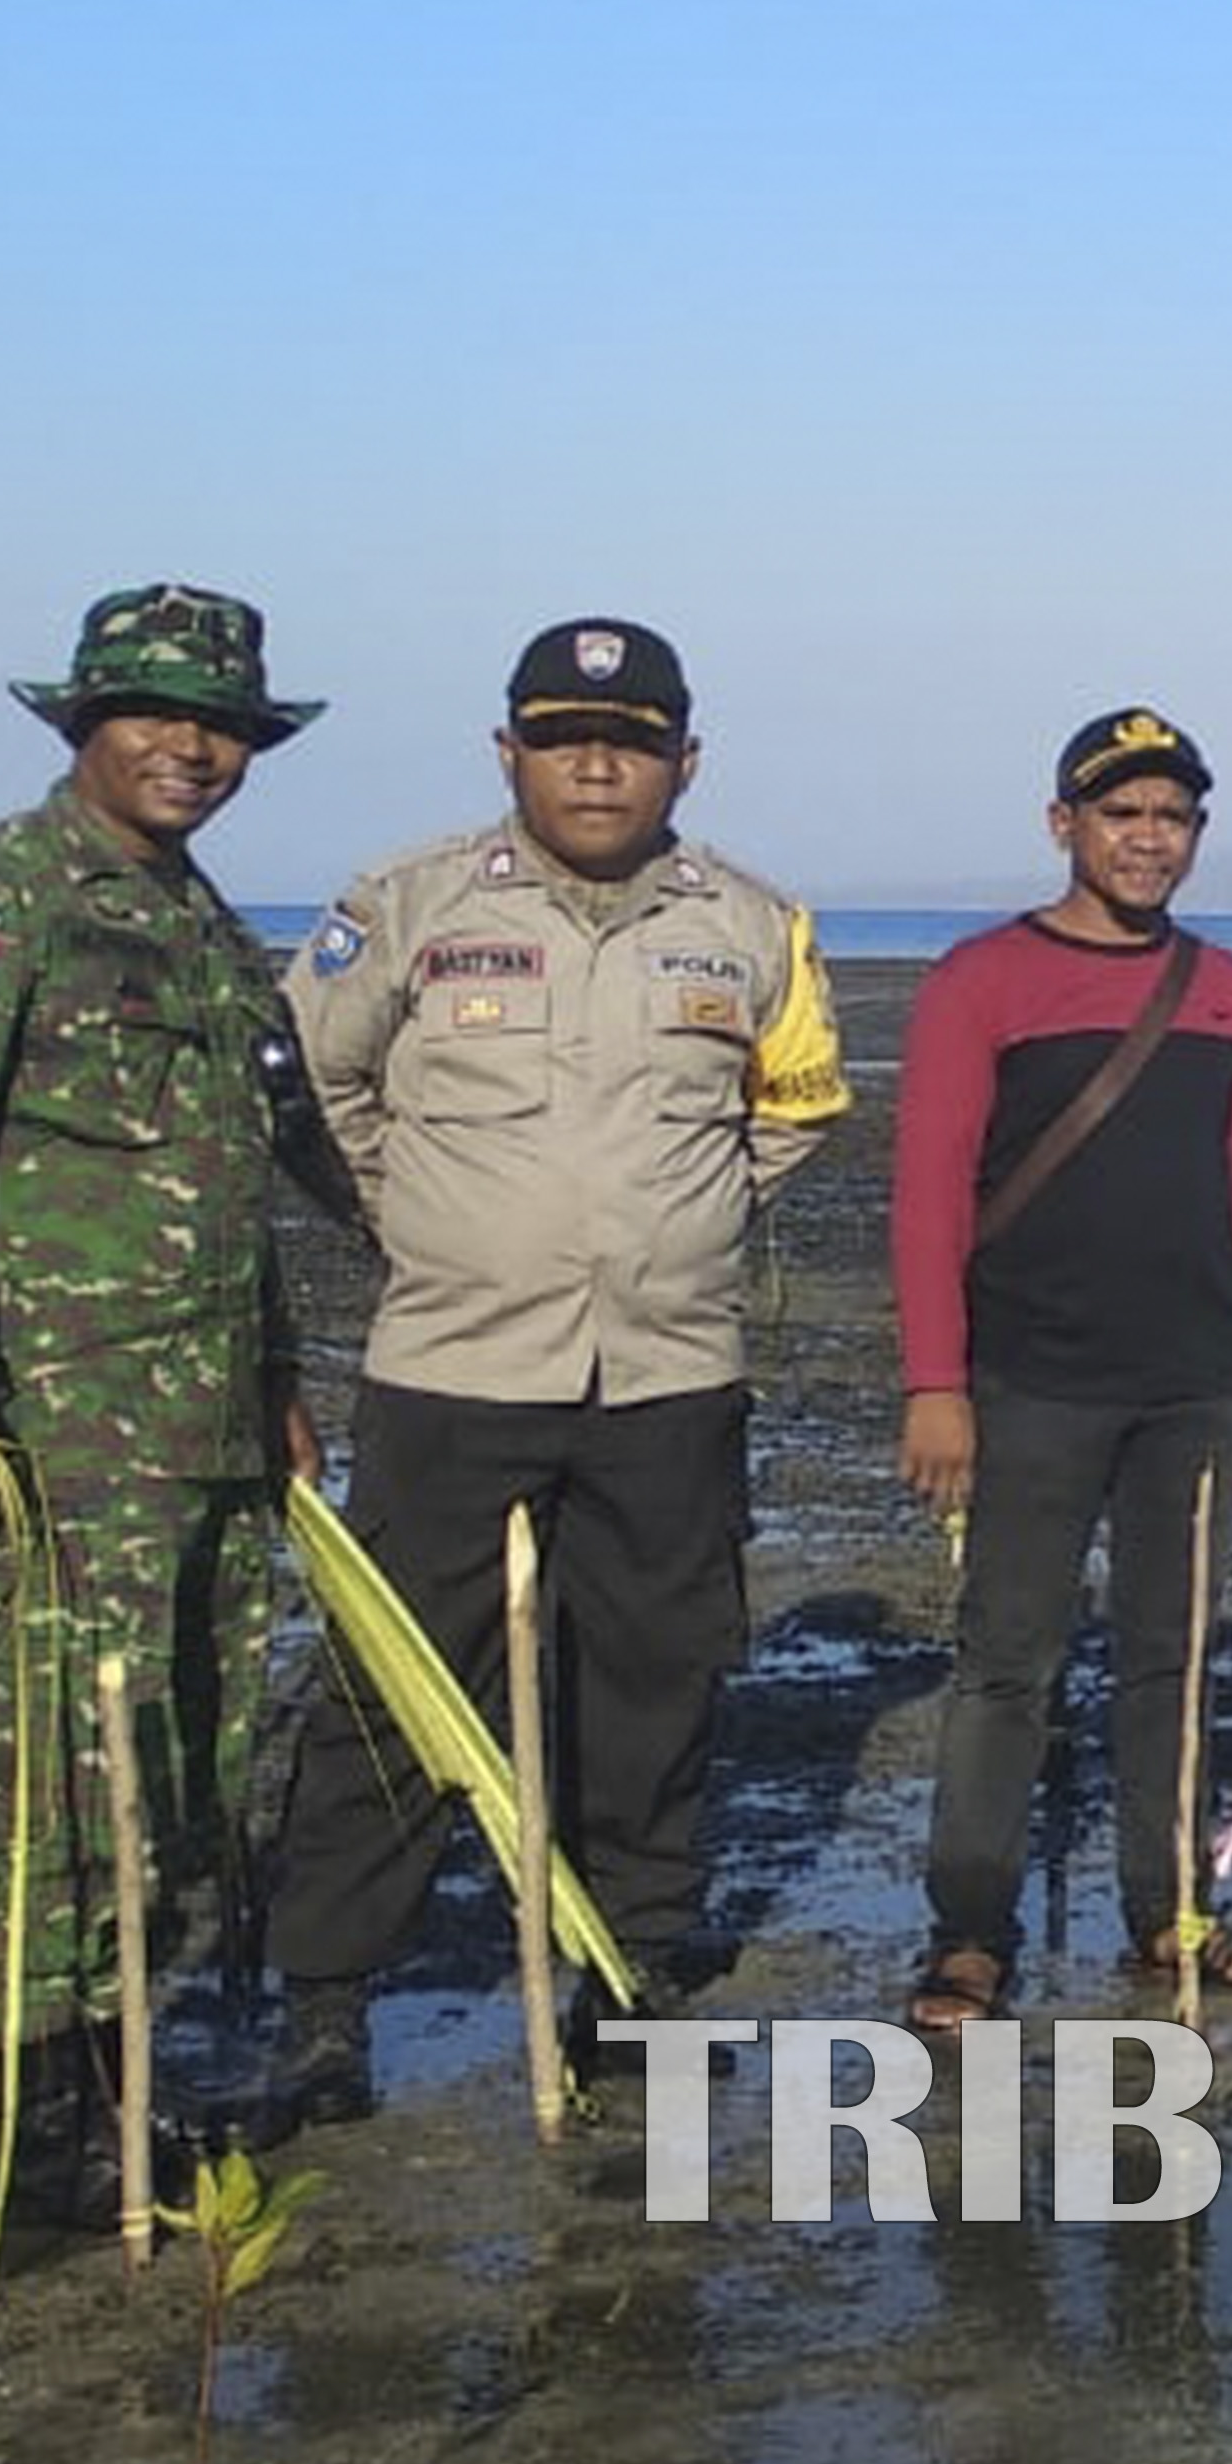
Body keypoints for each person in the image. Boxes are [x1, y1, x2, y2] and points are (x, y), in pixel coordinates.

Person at [262, 618, 847, 2124]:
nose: (601, 763)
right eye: (567, 734)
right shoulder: (405, 905)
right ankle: (328, 2001)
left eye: (636, 738)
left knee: (654, 1682)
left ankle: (630, 1977)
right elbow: (309, 1087)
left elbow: (789, 1112)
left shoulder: (758, 923)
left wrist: (677, 1224)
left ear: (685, 761)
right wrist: (426, 1223)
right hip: (452, 1364)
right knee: (393, 1686)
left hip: (667, 1375)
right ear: (507, 750)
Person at [0, 586, 334, 2227]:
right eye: (160, 715)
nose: (195, 750)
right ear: (82, 724)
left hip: (201, 1430)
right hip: (53, 1429)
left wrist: (275, 1382)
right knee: (56, 1763)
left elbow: (229, 1186)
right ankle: (37, 2115)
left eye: (225, 728)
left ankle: (120, 2083)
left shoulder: (200, 923)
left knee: (179, 1764)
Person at [888, 707, 1232, 2029]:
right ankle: (969, 1931)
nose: (1148, 838)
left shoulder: (1228, 989)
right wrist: (935, 1383)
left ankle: (1168, 1909)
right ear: (1062, 823)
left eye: (1172, 817)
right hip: (1030, 1385)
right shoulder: (982, 980)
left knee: (1169, 1661)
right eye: (1121, 813)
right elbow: (927, 1194)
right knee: (1006, 1662)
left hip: (1192, 1384)